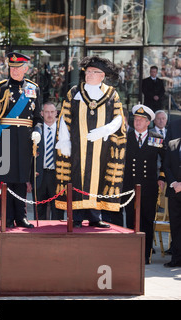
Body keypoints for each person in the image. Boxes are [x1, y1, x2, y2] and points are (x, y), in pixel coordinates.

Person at [55, 56, 127, 228]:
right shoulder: (74, 92)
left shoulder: (111, 94)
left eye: (93, 72)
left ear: (102, 75)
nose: (88, 75)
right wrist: (64, 141)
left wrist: (105, 130)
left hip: (101, 147)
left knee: (99, 178)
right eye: (87, 72)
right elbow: (64, 118)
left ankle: (95, 216)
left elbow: (118, 119)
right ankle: (77, 216)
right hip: (78, 146)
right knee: (77, 179)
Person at [0, 52, 43, 228]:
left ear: (26, 69)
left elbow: (38, 117)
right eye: (12, 68)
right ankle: (8, 216)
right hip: (5, 137)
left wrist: (37, 131)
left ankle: (21, 216)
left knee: (21, 179)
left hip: (25, 138)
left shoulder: (34, 88)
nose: (15, 71)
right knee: (7, 179)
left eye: (19, 68)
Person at [123, 104, 165, 264]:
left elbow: (166, 159)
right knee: (131, 219)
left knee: (147, 219)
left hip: (148, 187)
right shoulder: (127, 137)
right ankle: (130, 252)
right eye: (136, 119)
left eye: (141, 120)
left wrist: (162, 177)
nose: (138, 122)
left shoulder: (156, 138)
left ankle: (145, 254)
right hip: (129, 186)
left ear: (148, 122)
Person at [34, 102, 64, 220]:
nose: (49, 115)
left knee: (57, 212)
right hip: (40, 176)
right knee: (39, 212)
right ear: (42, 113)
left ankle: (57, 238)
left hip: (57, 176)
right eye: (46, 112)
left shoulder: (63, 131)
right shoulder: (36, 130)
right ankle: (38, 237)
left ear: (56, 113)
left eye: (52, 112)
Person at [163, 136, 181, 267]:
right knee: (175, 226)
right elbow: (166, 165)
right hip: (174, 192)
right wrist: (174, 183)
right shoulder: (172, 144)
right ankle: (176, 258)